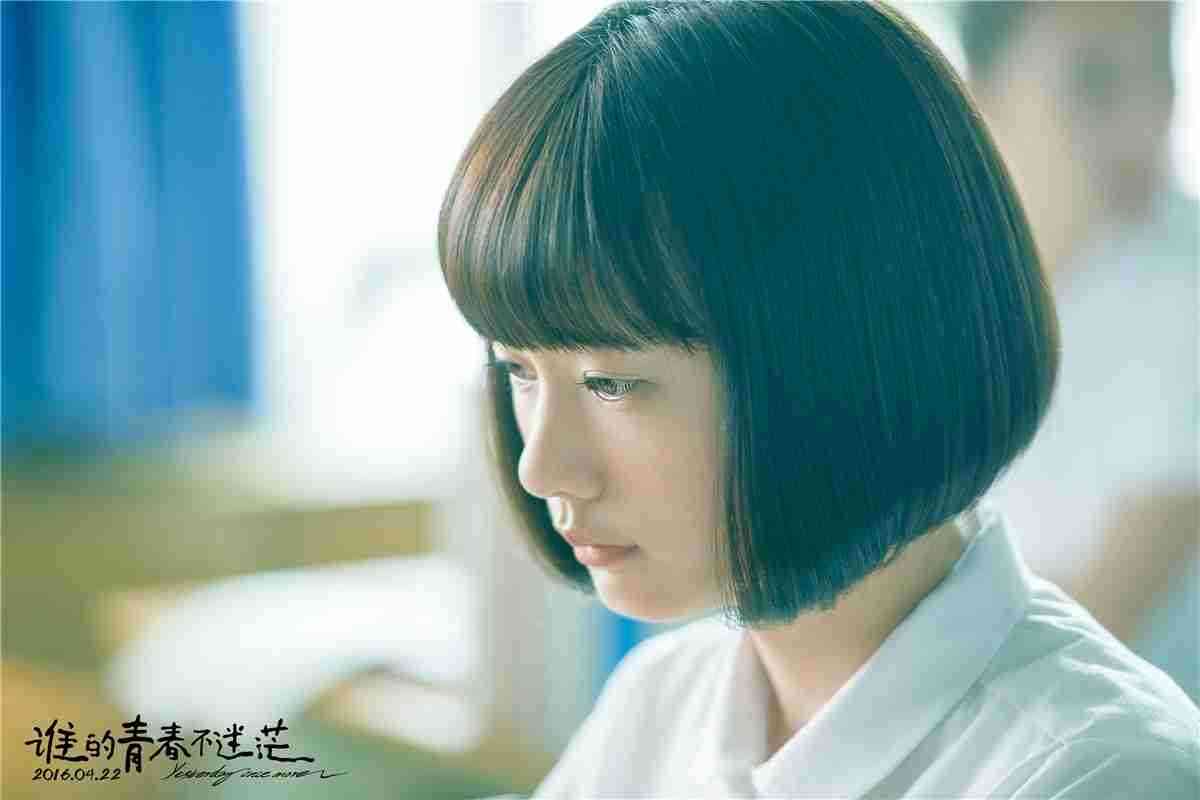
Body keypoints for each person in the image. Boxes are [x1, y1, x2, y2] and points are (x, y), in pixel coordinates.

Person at [437, 2, 1199, 797]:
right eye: (520, 371)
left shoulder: (1092, 771)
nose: (540, 468)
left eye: (611, 383)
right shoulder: (660, 705)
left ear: (836, 354)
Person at [959, 0, 1199, 701]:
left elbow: (1099, 625)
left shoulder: (1186, 282)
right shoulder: (924, 291)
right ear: (980, 95)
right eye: (1093, 80)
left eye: (1160, 73)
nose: (1146, 120)